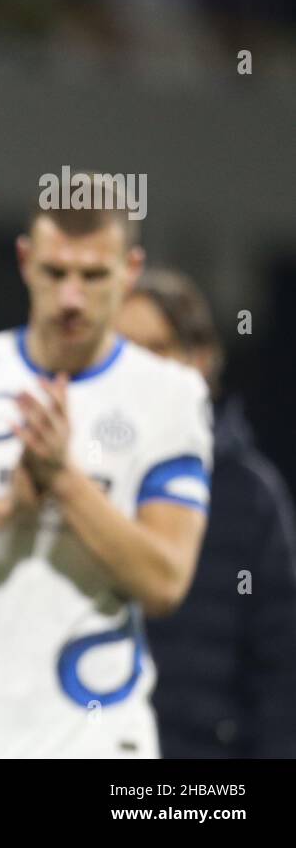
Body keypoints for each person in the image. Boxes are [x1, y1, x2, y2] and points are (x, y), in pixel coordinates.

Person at [0, 176, 212, 757]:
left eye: (94, 275)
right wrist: (5, 507)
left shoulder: (172, 395)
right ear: (25, 261)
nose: (72, 298)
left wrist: (63, 481)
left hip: (98, 735)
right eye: (56, 273)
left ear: (130, 271)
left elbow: (165, 581)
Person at [117, 267, 296, 757]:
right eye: (118, 351)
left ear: (201, 361)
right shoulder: (73, 479)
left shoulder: (251, 496)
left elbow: (282, 670)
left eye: (153, 351)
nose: (132, 371)